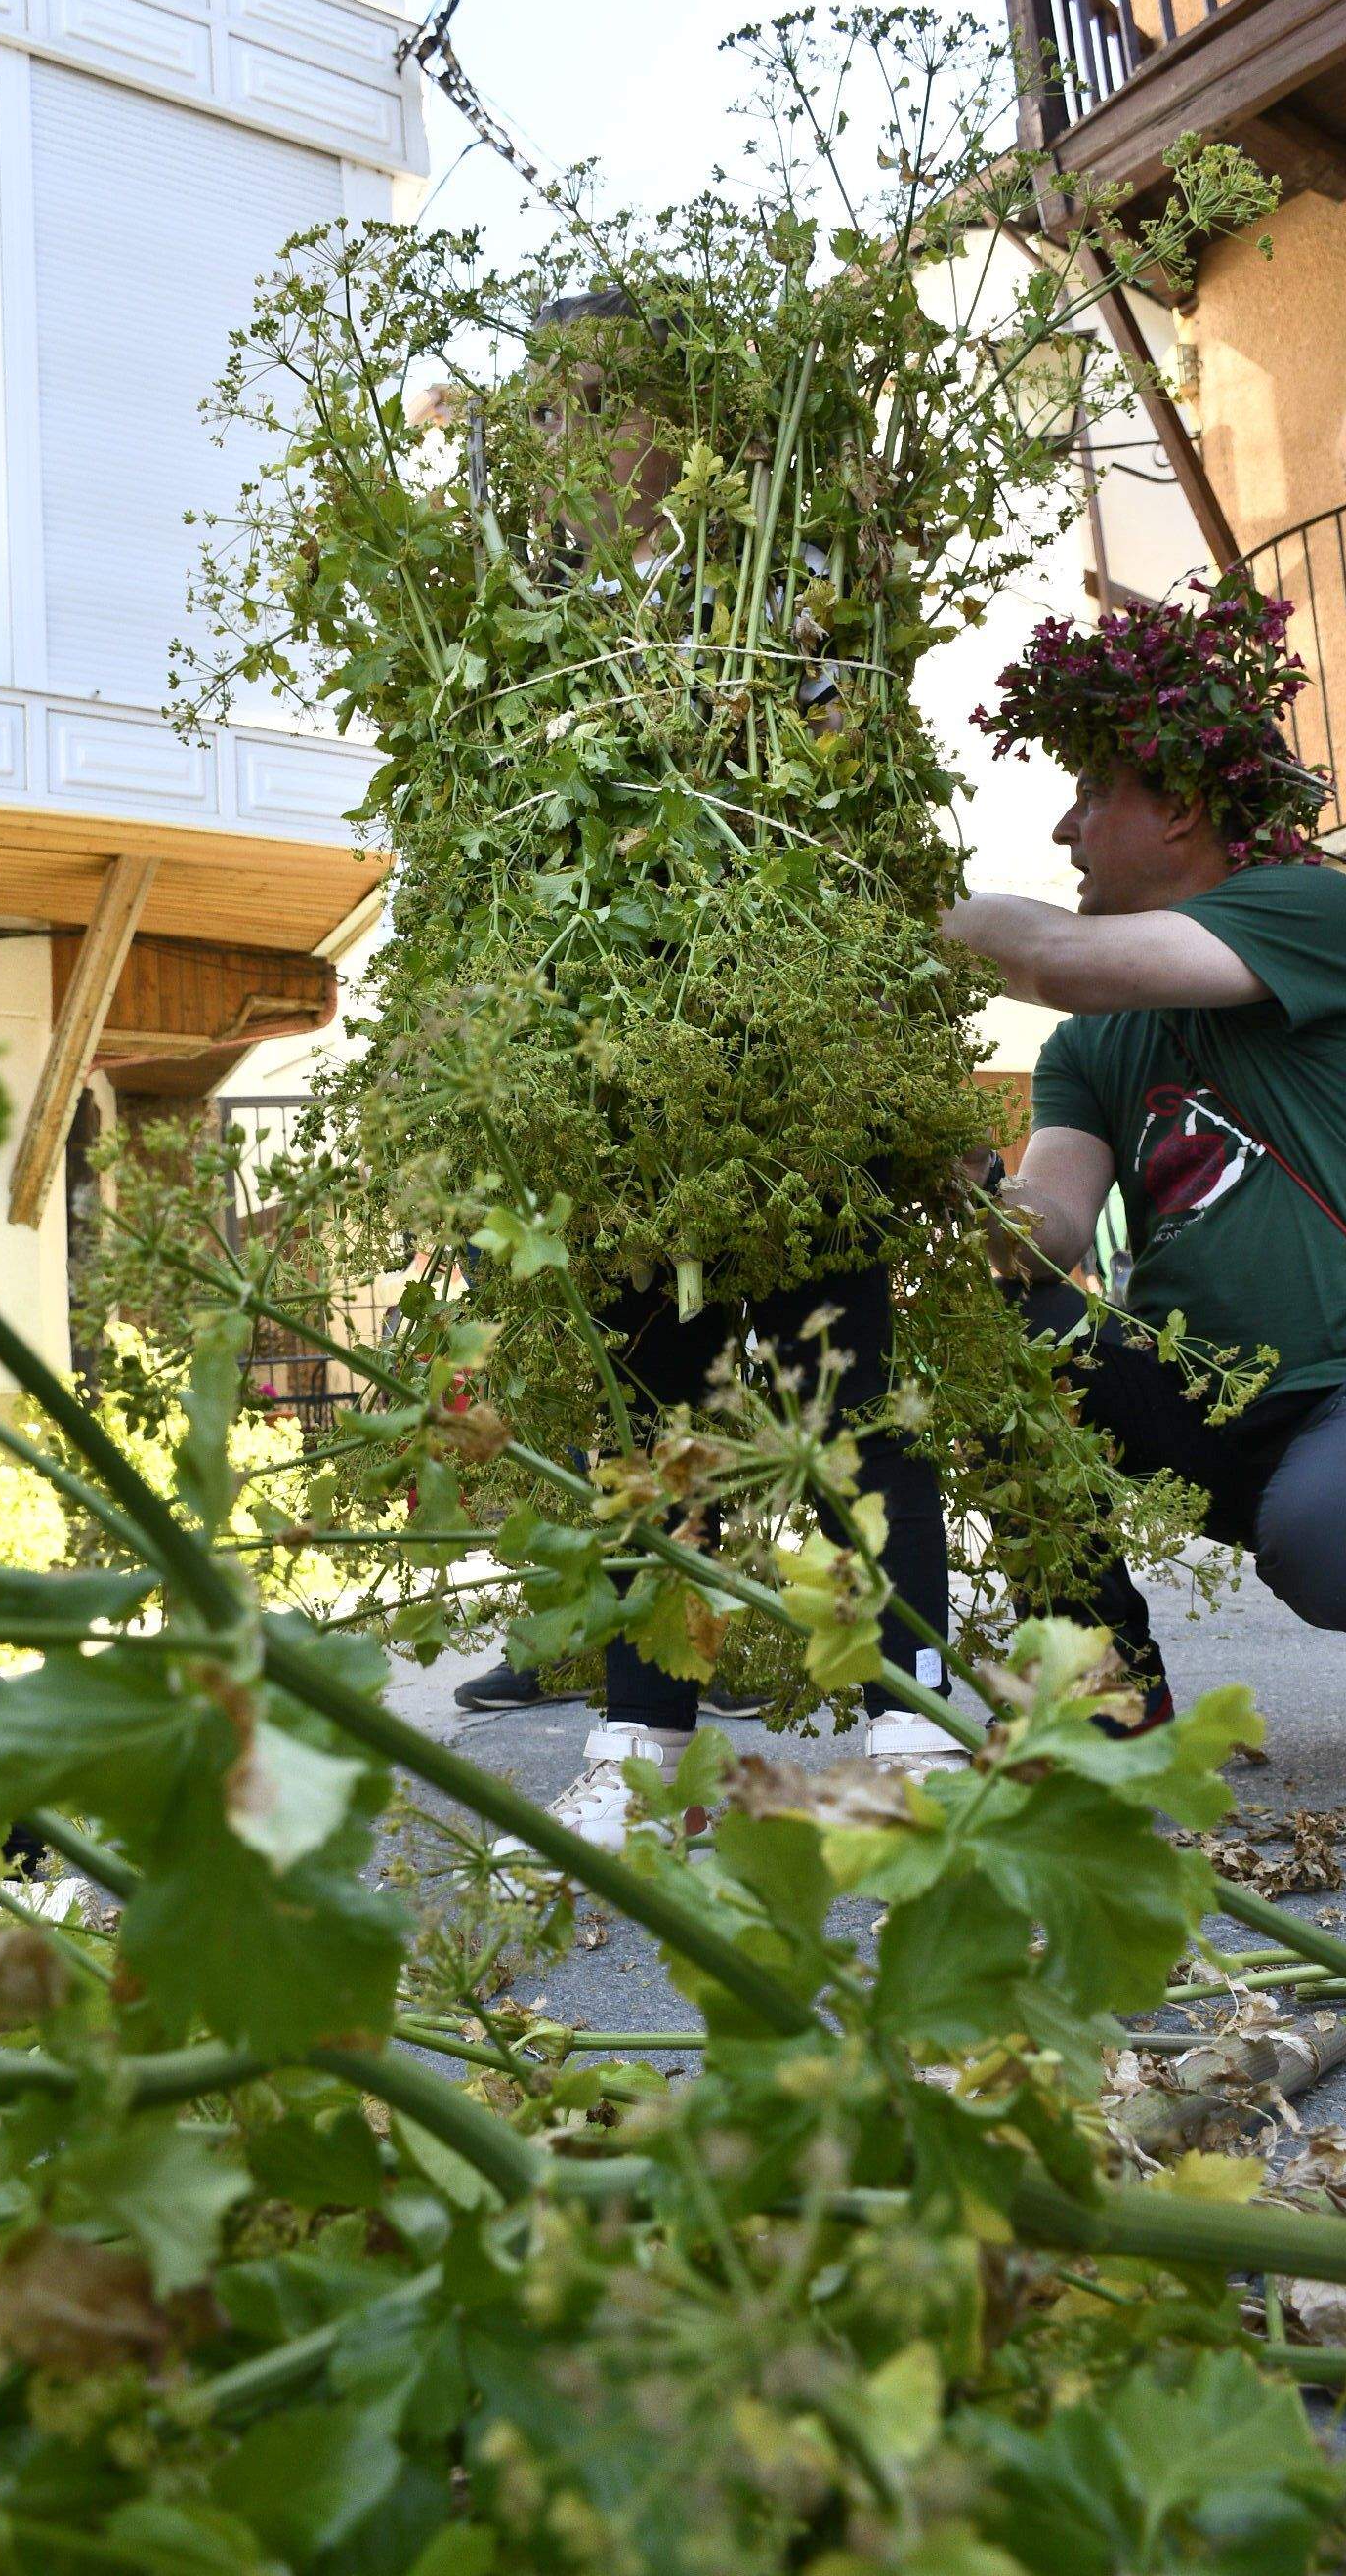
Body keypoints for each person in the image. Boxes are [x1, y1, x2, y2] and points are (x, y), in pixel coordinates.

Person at [469, 291, 961, 1856]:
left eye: (588, 399)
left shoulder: (791, 589)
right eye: (542, 407)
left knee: (842, 1384)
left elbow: (858, 803)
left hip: (786, 1040)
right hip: (613, 1069)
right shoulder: (516, 610)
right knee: (640, 1402)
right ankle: (639, 1732)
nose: (560, 435)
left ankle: (912, 1710)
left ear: (681, 422)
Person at [948, 579, 1346, 1766]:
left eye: (1089, 795)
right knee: (990, 1344)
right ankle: (1109, 1696)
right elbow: (1049, 1229)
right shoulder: (1088, 1048)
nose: (1065, 830)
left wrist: (886, 919)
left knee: (1341, 1532)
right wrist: (962, 1190)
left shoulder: (1314, 915)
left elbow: (1053, 955)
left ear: (1178, 812)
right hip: (1207, 1397)